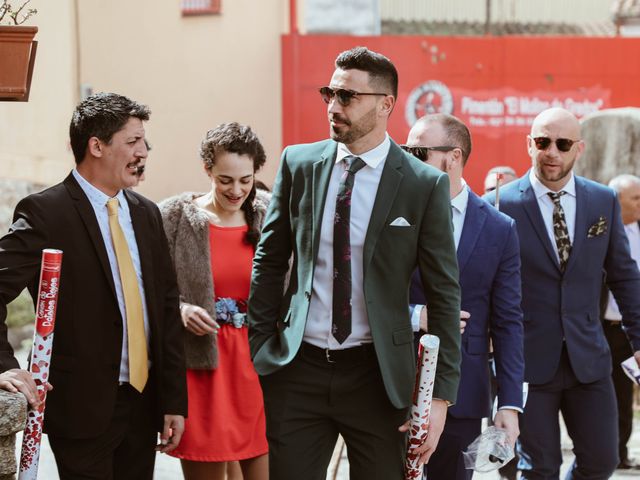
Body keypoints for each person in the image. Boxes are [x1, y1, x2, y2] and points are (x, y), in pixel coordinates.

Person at [248, 46, 462, 480]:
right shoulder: (299, 163)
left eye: (347, 97)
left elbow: (444, 292)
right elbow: (270, 260)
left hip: (378, 376)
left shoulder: (424, 184)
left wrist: (438, 399)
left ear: (386, 104)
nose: (333, 106)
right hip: (297, 369)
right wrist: (260, 348)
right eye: (330, 93)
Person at [0, 92, 187, 479]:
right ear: (96, 146)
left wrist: (173, 400)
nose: (144, 151)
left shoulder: (147, 213)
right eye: (133, 141)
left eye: (144, 141)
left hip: (143, 404)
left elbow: (167, 308)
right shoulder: (45, 212)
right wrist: (3, 366)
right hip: (80, 409)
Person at [484, 107, 640, 479]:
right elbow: (479, 282)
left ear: (578, 148)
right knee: (538, 469)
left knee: (602, 461)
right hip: (523, 364)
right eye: (542, 142)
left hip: (589, 358)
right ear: (529, 145)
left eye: (563, 143)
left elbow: (624, 276)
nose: (552, 151)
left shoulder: (602, 201)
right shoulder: (497, 204)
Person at [404, 113, 524, 480]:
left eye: (418, 151)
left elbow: (507, 320)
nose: (408, 159)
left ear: (453, 157)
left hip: (465, 388)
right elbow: (365, 291)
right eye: (404, 150)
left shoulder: (499, 228)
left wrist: (510, 402)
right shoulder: (391, 212)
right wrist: (416, 315)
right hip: (393, 378)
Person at [158, 122, 270, 480]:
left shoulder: (271, 214)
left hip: (258, 367)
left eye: (245, 180)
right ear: (207, 169)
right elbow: (148, 289)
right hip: (200, 367)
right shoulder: (173, 217)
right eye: (225, 180)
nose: (236, 190)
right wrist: (179, 310)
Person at [603, 174, 640, 471]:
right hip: (602, 329)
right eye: (636, 199)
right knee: (607, 394)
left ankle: (624, 451)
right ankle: (608, 451)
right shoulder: (599, 231)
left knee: (628, 395)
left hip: (633, 331)